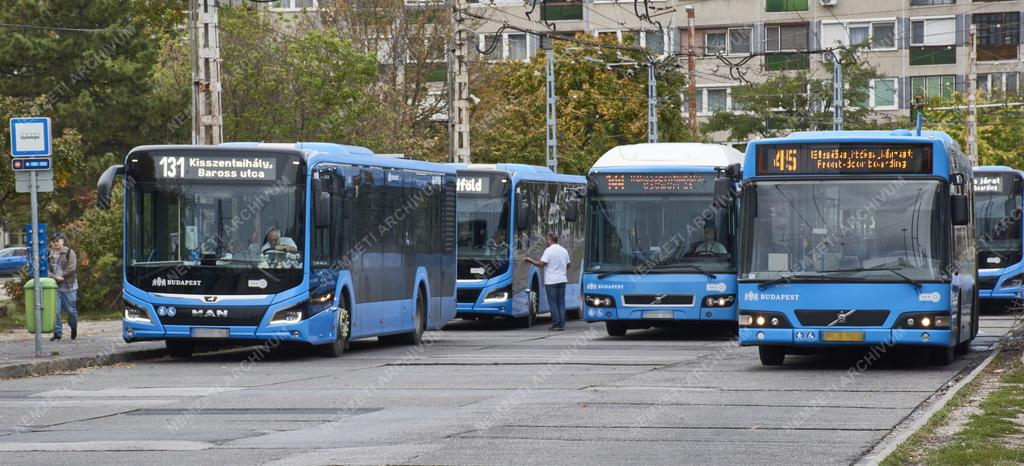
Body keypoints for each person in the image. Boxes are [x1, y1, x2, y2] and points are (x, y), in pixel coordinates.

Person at [523, 233, 570, 331]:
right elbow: (568, 265)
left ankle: (556, 324)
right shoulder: (564, 250)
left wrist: (530, 260)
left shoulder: (548, 251)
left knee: (553, 303)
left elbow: (541, 264)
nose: (547, 242)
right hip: (562, 280)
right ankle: (562, 324)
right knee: (561, 302)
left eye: (547, 240)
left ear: (550, 240)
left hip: (552, 281)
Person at [48, 232, 78, 341]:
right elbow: (45, 270)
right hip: (54, 287)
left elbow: (72, 268)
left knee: (71, 311)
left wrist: (62, 276)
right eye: (54, 241)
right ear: (51, 243)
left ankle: (73, 327)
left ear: (62, 241)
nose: (56, 243)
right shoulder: (49, 254)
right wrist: (54, 277)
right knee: (55, 311)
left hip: (69, 286)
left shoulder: (69, 252)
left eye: (58, 241)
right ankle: (57, 333)